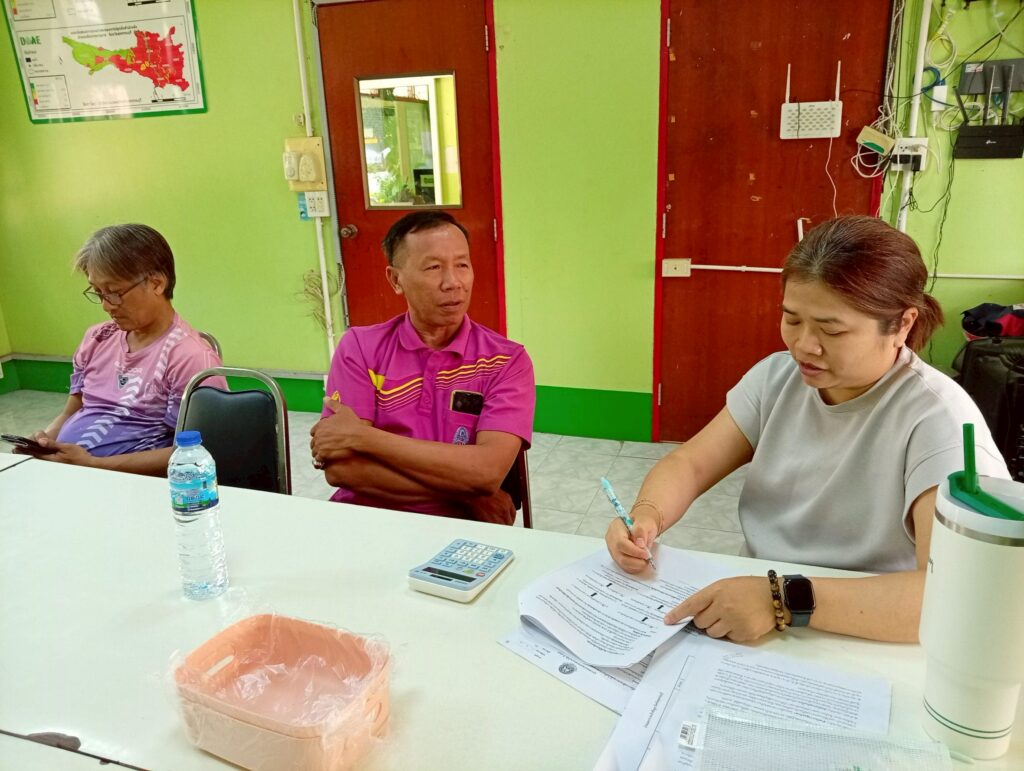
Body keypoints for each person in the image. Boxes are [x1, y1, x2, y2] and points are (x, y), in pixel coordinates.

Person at [606, 216, 1009, 643]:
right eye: (792, 320)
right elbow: (690, 463)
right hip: (759, 612)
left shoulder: (938, 420)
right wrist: (647, 515)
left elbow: (951, 596)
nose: (804, 346)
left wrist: (780, 599)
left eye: (832, 329)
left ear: (902, 324)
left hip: (865, 630)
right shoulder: (776, 378)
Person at [310, 211, 535, 524]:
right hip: (366, 520)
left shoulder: (506, 361)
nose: (453, 282)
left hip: (458, 529)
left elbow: (485, 472)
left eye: (462, 265)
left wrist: (363, 438)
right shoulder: (360, 347)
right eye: (433, 267)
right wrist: (465, 494)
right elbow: (342, 469)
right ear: (395, 279)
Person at [21, 224, 224, 475]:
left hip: (130, 484)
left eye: (115, 293)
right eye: (98, 292)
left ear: (157, 283)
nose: (106, 306)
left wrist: (94, 464)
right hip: (72, 473)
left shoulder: (190, 357)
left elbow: (196, 452)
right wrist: (44, 441)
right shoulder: (97, 339)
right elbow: (71, 411)